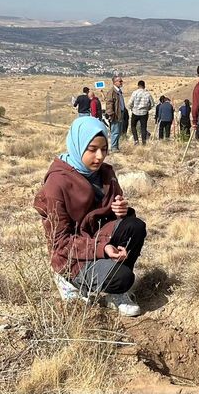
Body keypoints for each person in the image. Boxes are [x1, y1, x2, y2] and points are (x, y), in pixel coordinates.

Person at [33, 116, 146, 317]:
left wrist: (120, 211)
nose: (100, 156)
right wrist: (102, 248)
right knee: (123, 278)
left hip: (99, 239)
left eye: (104, 149)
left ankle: (115, 295)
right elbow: (60, 242)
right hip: (73, 257)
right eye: (92, 149)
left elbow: (111, 217)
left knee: (135, 226)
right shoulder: (56, 184)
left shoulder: (106, 173)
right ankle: (67, 279)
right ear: (78, 145)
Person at [128, 80, 155, 146]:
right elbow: (152, 104)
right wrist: (147, 109)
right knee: (143, 127)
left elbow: (130, 103)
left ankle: (136, 140)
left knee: (133, 126)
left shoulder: (135, 93)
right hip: (144, 113)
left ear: (138, 86)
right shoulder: (147, 94)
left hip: (135, 112)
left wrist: (132, 108)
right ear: (144, 85)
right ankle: (144, 142)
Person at [103, 76, 125, 152]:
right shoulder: (112, 92)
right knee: (115, 131)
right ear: (115, 82)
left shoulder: (119, 91)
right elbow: (109, 103)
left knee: (118, 131)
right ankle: (114, 147)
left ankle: (116, 146)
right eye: (120, 81)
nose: (121, 82)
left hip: (120, 113)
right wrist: (110, 114)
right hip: (115, 114)